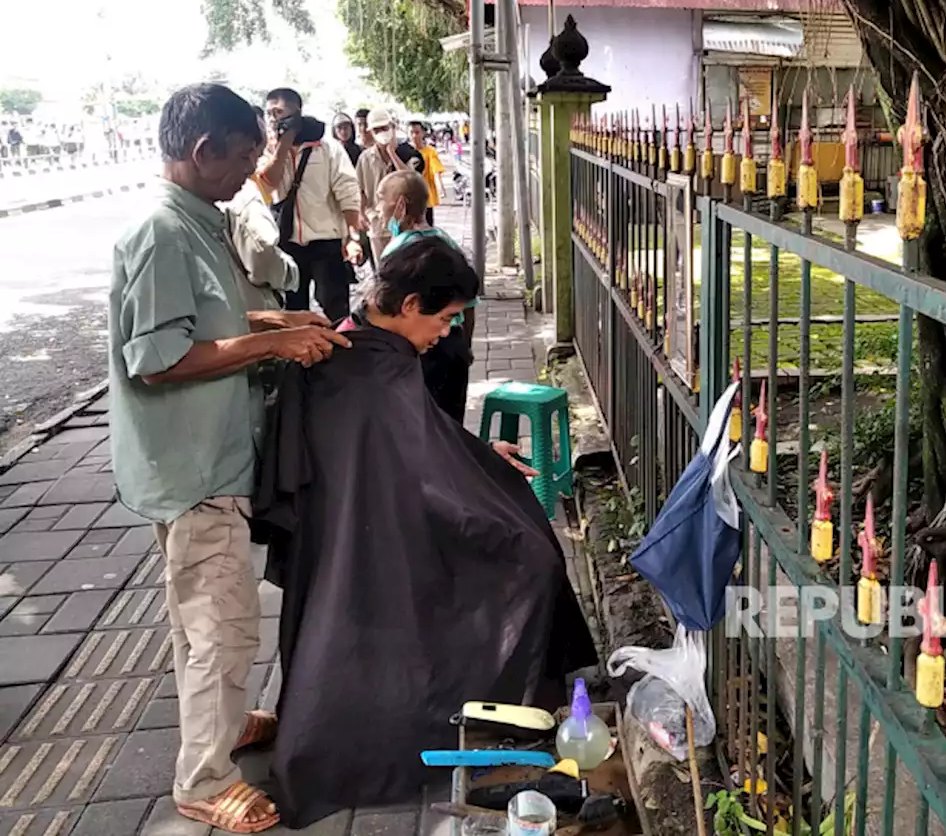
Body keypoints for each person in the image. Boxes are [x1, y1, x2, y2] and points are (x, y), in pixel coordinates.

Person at [253, 234, 597, 829]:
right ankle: (497, 710)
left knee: (520, 525)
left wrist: (478, 457)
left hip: (361, 521)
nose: (445, 333)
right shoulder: (364, 365)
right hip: (376, 528)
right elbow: (405, 464)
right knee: (529, 557)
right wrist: (471, 480)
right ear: (410, 305)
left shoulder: (367, 349)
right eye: (445, 318)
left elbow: (412, 446)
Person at [108, 83, 352, 834]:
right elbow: (158, 357)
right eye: (245, 157)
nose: (253, 172)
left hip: (205, 454)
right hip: (193, 463)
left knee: (198, 617)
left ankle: (219, 721)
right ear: (203, 150)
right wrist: (275, 343)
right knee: (224, 623)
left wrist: (277, 317)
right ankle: (203, 778)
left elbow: (208, 318)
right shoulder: (161, 230)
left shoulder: (198, 219)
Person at [372, 170, 475, 421]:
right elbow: (469, 304)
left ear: (400, 205)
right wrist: (465, 345)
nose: (377, 209)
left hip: (423, 350)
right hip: (454, 346)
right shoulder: (445, 241)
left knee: (422, 426)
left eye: (381, 200)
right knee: (450, 424)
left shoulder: (398, 251)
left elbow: (388, 310)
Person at [260, 87, 364, 322]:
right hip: (287, 242)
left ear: (297, 112)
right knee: (293, 309)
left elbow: (347, 191)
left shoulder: (327, 148)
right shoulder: (267, 150)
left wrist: (353, 237)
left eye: (279, 112)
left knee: (335, 306)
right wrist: (282, 146)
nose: (274, 118)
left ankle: (341, 353)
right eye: (270, 113)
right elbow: (267, 185)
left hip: (326, 241)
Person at [225, 108, 299, 311]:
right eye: (249, 156)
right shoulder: (244, 195)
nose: (252, 168)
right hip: (251, 310)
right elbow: (261, 256)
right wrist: (290, 273)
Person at [355, 108, 416, 263]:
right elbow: (360, 189)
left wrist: (392, 153)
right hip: (377, 222)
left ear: (392, 128)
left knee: (405, 267)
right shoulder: (365, 158)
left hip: (404, 222)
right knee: (383, 268)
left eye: (385, 128)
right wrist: (361, 213)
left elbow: (411, 182)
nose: (382, 133)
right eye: (377, 130)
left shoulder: (407, 153)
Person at [407, 120, 447, 225]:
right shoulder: (405, 152)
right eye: (411, 132)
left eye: (417, 132)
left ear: (423, 133)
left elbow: (436, 171)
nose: (414, 136)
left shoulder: (430, 151)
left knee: (427, 225)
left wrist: (440, 187)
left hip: (426, 196)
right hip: (410, 196)